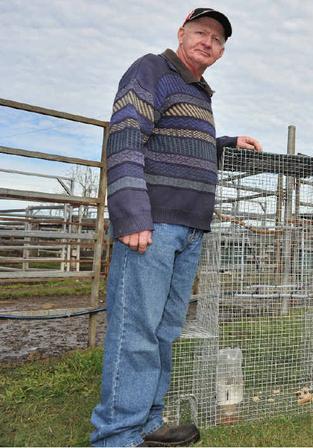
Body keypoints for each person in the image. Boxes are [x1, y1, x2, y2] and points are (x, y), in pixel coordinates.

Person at [90, 8, 262, 447]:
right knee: (135, 330)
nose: (210, 42)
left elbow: (181, 145)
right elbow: (127, 133)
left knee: (164, 331)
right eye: (202, 33)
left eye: (219, 40)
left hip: (190, 228)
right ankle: (115, 435)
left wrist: (226, 143)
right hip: (154, 224)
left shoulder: (199, 93)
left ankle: (147, 424)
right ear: (181, 34)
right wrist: (130, 213)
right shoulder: (152, 69)